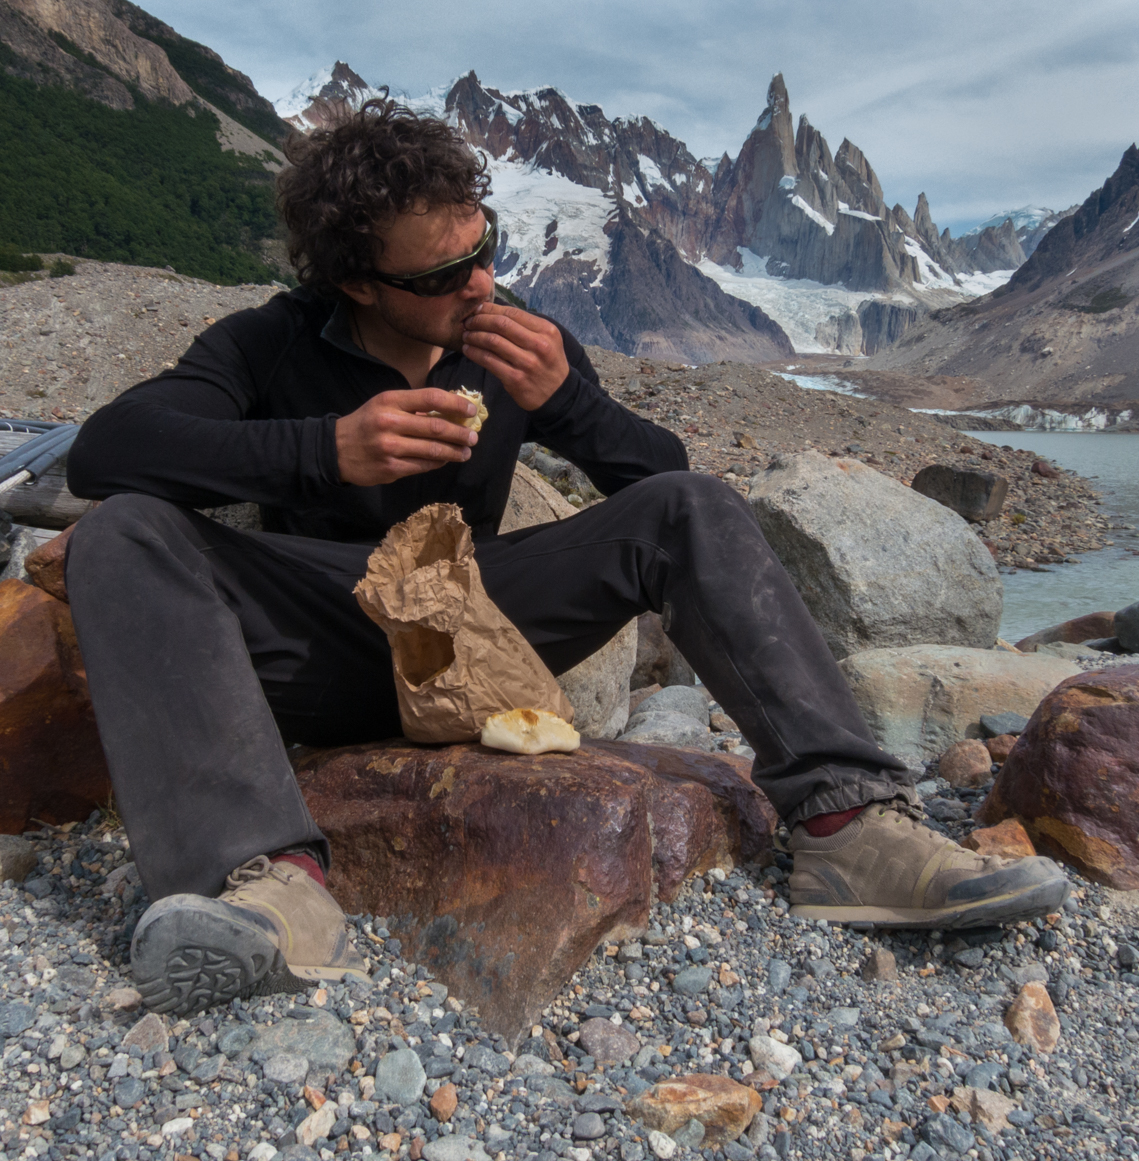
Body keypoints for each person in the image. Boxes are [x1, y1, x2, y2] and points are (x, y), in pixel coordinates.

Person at [64, 100, 1068, 1017]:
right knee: (121, 532)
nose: (480, 283)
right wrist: (321, 446)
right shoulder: (267, 346)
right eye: (441, 276)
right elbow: (108, 450)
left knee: (687, 505)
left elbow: (662, 485)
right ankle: (273, 891)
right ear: (355, 281)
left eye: (483, 248)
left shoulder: (514, 344)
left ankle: (849, 829)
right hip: (323, 637)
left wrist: (565, 404)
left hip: (479, 638)